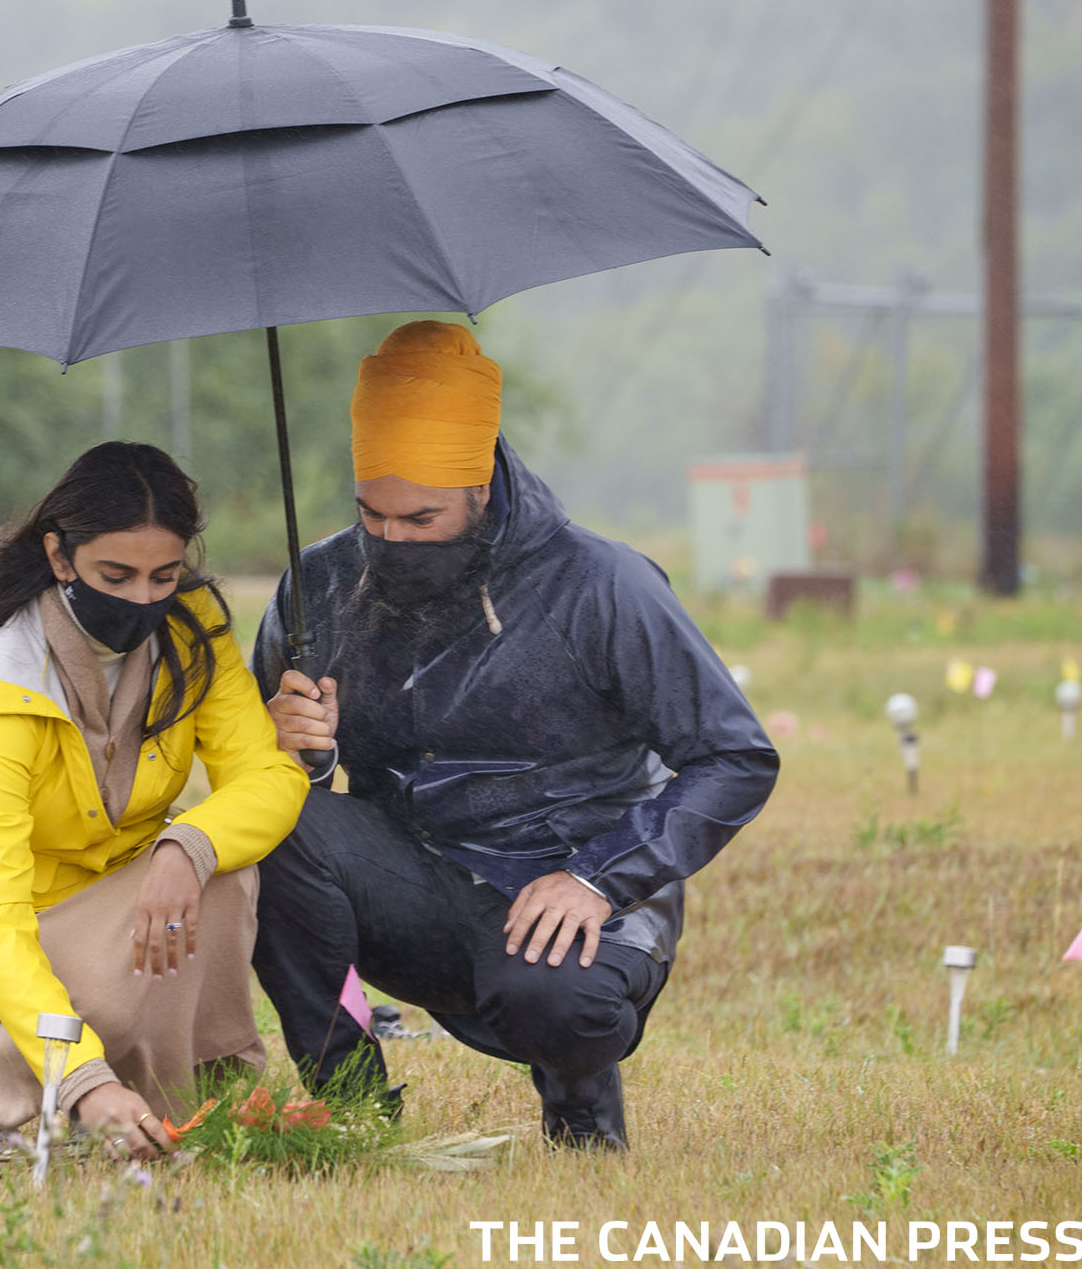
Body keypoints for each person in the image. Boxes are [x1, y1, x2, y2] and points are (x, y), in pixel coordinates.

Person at [250, 321, 778, 1149]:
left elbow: (736, 757)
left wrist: (598, 878)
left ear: (482, 486)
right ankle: (347, 1107)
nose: (390, 542)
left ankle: (579, 1113)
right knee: (270, 826)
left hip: (566, 886)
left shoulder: (603, 585)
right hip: (409, 878)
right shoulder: (319, 581)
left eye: (420, 518)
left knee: (556, 998)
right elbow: (273, 781)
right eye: (371, 515)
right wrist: (297, 753)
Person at [0, 441, 310, 1161]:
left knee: (223, 869)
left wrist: (184, 846)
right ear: (60, 556)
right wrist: (85, 1079)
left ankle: (197, 1100)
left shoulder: (193, 625)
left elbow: (266, 777)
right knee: (97, 1009)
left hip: (104, 905)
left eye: (163, 575)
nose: (142, 598)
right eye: (117, 574)